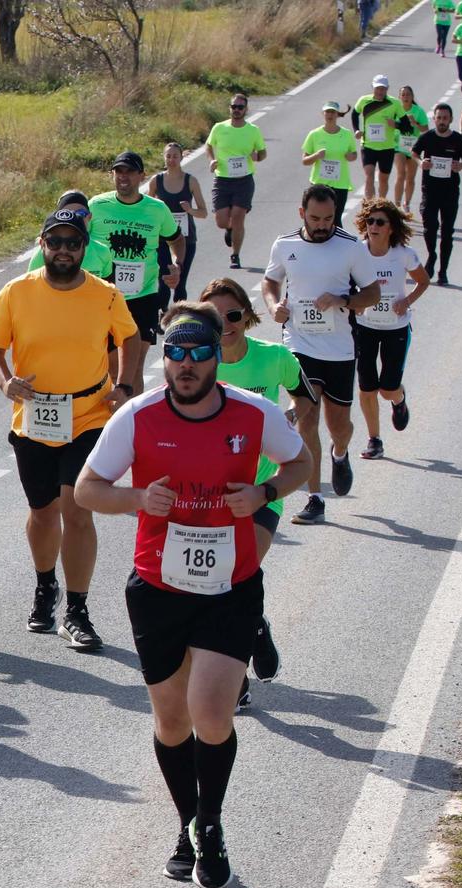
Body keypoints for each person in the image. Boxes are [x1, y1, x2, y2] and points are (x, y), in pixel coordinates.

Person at [75, 304, 311, 888]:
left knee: (211, 713)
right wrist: (135, 501)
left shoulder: (253, 413)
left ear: (217, 355)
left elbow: (301, 460)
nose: (185, 364)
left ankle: (210, 824)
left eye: (197, 353)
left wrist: (265, 492)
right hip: (158, 587)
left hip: (230, 587)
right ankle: (187, 822)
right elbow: (86, 489)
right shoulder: (138, 416)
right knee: (172, 720)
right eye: (175, 354)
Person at [0, 208, 137, 652]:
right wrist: (5, 381)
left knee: (77, 506)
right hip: (34, 418)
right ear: (42, 244)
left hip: (89, 414)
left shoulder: (104, 294)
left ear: (85, 247)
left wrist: (124, 385)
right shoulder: (16, 292)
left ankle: (77, 609)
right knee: (44, 511)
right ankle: (45, 586)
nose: (64, 250)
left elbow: (130, 338)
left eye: (73, 242)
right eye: (56, 242)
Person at [262, 184, 386, 524]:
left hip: (340, 347)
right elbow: (270, 282)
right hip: (299, 343)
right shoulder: (285, 244)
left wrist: (342, 300)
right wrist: (274, 306)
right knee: (308, 416)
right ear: (302, 213)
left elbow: (373, 293)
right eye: (315, 218)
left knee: (339, 425)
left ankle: (340, 452)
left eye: (328, 218)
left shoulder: (350, 248)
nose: (322, 225)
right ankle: (315, 497)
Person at [202, 277, 299, 705]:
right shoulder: (196, 365)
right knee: (216, 584)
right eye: (216, 317)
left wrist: (294, 425)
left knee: (234, 577)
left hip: (261, 491)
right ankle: (255, 625)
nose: (226, 324)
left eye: (234, 315)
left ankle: (234, 679)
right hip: (207, 495)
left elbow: (305, 397)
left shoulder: (274, 357)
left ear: (248, 315)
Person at [90, 151, 183, 395]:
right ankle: (116, 417)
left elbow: (176, 238)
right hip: (104, 297)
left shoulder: (157, 209)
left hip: (143, 296)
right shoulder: (97, 206)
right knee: (113, 367)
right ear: (112, 175)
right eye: (118, 171)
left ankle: (133, 425)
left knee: (133, 369)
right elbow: (80, 244)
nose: (124, 177)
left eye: (130, 171)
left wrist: (176, 264)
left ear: (141, 176)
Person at [350, 200, 430, 461]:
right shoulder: (357, 252)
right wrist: (356, 303)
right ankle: (375, 440)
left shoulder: (403, 255)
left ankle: (399, 399)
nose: (373, 226)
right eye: (370, 221)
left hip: (396, 327)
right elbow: (345, 283)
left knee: (387, 388)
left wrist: (406, 301)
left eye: (380, 222)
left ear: (391, 228)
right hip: (365, 328)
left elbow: (423, 281)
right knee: (366, 387)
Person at [412, 102, 462, 284]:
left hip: (449, 192)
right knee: (429, 227)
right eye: (439, 118)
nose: (441, 121)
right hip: (429, 190)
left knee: (447, 232)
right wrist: (421, 163)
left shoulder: (457, 139)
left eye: (445, 118)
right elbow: (414, 153)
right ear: (434, 119)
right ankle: (432, 255)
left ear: (450, 120)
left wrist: (461, 166)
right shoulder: (427, 137)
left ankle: (443, 271)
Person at [207, 95, 268, 269]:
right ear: (230, 108)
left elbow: (263, 153)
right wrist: (212, 160)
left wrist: (257, 156)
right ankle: (229, 229)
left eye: (240, 107)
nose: (237, 110)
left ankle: (235, 255)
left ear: (246, 110)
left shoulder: (253, 130)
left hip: (244, 179)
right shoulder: (219, 128)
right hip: (223, 179)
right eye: (234, 106)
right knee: (221, 221)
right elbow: (209, 145)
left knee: (239, 217)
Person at [150, 142, 208, 300]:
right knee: (164, 279)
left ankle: (180, 317)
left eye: (175, 156)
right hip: (162, 238)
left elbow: (204, 212)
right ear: (163, 158)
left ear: (182, 157)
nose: (171, 159)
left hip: (186, 237)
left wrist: (190, 210)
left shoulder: (191, 181)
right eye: (168, 156)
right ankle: (161, 317)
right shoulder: (156, 181)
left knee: (180, 282)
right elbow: (146, 208)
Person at [26, 190, 118, 279]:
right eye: (69, 213)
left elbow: (108, 288)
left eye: (81, 213)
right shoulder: (43, 253)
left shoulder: (102, 251)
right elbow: (31, 286)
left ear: (89, 217)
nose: (75, 219)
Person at [304, 102, 361, 219]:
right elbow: (305, 160)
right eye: (327, 112)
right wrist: (316, 156)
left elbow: (354, 154)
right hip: (319, 183)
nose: (330, 115)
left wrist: (351, 156)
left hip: (340, 184)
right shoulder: (314, 134)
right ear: (323, 114)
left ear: (337, 114)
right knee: (317, 218)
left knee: (336, 218)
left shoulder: (346, 134)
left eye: (333, 112)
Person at [353, 75, 405, 200]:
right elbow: (354, 114)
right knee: (369, 176)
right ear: (373, 88)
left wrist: (396, 124)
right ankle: (369, 205)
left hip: (387, 147)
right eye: (377, 88)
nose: (380, 92)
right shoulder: (364, 100)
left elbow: (406, 125)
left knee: (383, 178)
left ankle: (381, 202)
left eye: (382, 89)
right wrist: (357, 130)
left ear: (387, 88)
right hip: (368, 146)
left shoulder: (395, 103)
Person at [392, 86, 428, 212]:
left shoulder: (418, 111)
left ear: (412, 97)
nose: (406, 97)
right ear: (399, 97)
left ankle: (406, 204)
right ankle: (396, 205)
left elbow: (425, 129)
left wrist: (415, 124)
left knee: (410, 178)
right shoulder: (396, 110)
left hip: (413, 146)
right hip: (398, 146)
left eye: (408, 95)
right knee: (401, 174)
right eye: (403, 95)